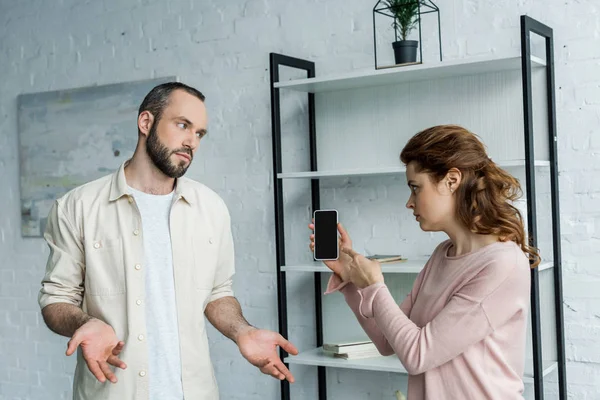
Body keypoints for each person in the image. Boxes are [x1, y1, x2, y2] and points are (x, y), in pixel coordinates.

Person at [39, 82, 298, 400]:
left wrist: (242, 331)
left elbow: (217, 294)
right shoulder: (77, 207)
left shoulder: (211, 208)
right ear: (146, 122)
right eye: (182, 125)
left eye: (200, 133)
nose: (192, 141)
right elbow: (56, 299)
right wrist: (86, 323)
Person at [308, 125, 539, 400]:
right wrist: (352, 281)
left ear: (452, 180)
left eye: (416, 188)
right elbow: (386, 342)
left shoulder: (501, 265)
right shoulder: (443, 254)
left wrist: (375, 284)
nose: (409, 202)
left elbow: (418, 355)